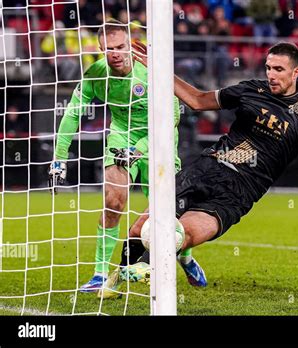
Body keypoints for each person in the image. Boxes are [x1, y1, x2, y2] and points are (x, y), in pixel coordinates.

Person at [122, 42, 298, 283]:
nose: (271, 74)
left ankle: (170, 260)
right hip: (208, 168)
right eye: (268, 68)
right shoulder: (251, 89)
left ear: (296, 72)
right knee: (139, 229)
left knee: (178, 236)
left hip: (240, 191)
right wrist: (160, 71)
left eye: (278, 69)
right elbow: (197, 100)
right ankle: (115, 279)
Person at [48, 20, 203, 293]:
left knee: (165, 211)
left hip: (160, 139)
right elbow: (72, 112)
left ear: (130, 45)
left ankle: (185, 256)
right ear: (100, 49)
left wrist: (140, 149)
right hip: (121, 136)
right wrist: (59, 158)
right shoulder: (96, 74)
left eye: (121, 46)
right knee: (113, 201)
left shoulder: (151, 71)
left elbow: (172, 117)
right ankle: (99, 273)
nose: (116, 53)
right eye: (109, 49)